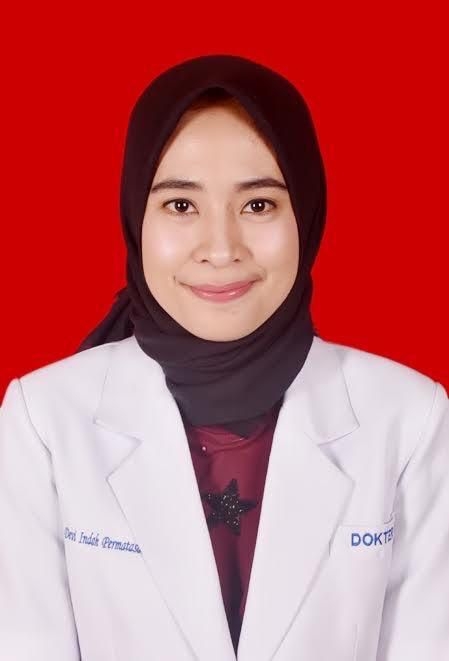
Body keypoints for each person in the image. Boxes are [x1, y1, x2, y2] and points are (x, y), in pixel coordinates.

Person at [0, 54, 448, 661]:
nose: (220, 248)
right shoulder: (44, 420)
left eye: (258, 204)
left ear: (306, 214)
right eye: (181, 206)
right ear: (135, 216)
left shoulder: (410, 418)